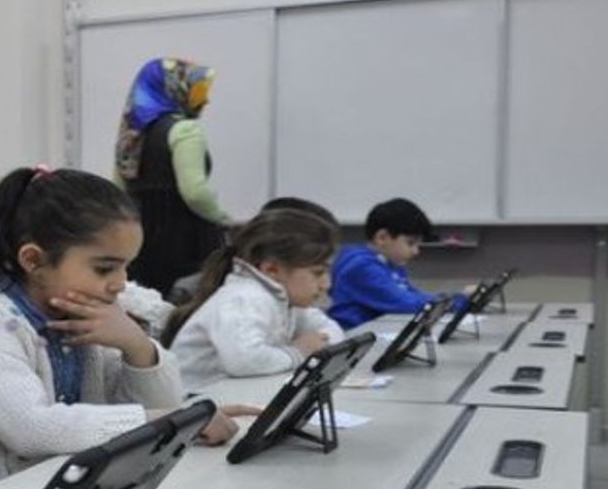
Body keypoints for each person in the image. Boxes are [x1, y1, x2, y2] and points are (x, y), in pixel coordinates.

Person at [0, 166, 242, 489]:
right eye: (104, 268)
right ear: (33, 261)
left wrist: (137, 346)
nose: (120, 283)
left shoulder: (81, 316)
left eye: (126, 267)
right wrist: (168, 420)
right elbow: (33, 430)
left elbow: (158, 408)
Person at [164, 209, 344, 389]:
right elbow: (244, 361)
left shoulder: (287, 299)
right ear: (272, 269)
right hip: (194, 399)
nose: (326, 284)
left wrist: (315, 344)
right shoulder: (244, 298)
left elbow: (333, 332)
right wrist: (298, 352)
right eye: (317, 273)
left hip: (226, 395)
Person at [115, 57, 231, 297]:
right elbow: (194, 192)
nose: (205, 100)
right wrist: (223, 219)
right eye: (199, 91)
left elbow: (118, 188)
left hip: (140, 237)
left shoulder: (131, 134)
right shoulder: (185, 130)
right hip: (186, 239)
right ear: (175, 89)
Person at [327, 197, 466, 329]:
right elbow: (407, 304)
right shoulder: (360, 268)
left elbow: (413, 295)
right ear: (382, 238)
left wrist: (454, 298)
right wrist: (459, 300)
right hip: (354, 334)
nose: (416, 251)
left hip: (377, 330)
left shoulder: (390, 262)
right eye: (410, 243)